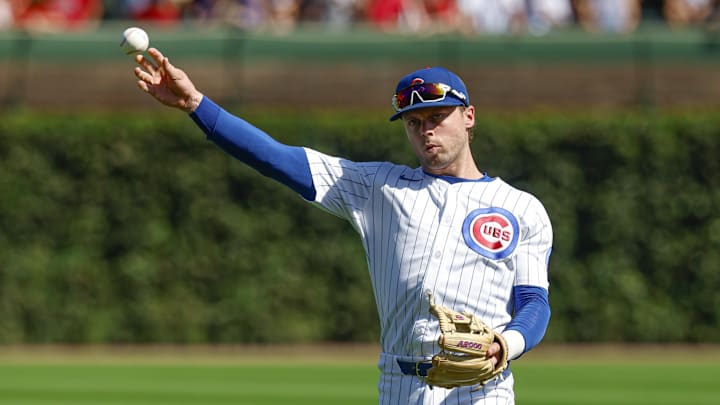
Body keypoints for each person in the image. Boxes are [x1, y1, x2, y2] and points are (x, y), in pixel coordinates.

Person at [132, 48, 553, 404]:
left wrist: (505, 345)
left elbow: (533, 303)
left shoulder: (520, 208)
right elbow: (278, 159)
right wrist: (196, 105)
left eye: (437, 117)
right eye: (414, 122)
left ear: (469, 116)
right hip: (399, 387)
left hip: (483, 390)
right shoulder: (378, 187)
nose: (426, 131)